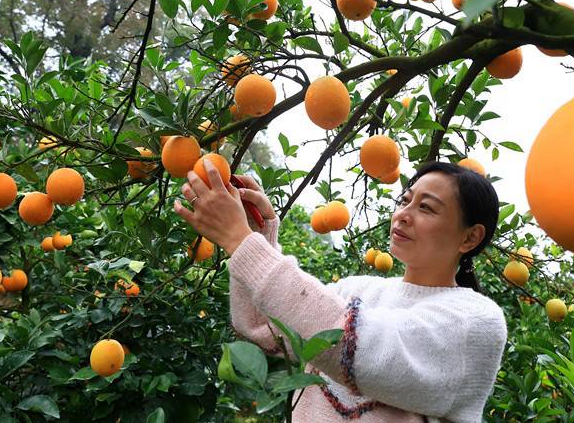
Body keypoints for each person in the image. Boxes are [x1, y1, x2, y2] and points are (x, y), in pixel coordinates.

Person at [174, 160, 507, 422]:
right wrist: (258, 235)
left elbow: (356, 350)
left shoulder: (475, 322)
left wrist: (242, 241)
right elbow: (265, 329)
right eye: (405, 200)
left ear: (470, 238)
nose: (404, 214)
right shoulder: (358, 289)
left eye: (426, 207)